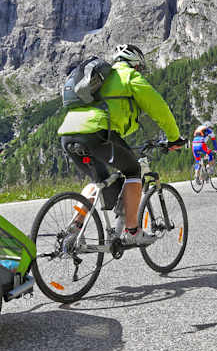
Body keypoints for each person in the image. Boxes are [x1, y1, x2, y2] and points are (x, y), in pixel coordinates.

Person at [59, 44, 185, 245]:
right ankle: (133, 232)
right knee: (133, 170)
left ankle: (73, 229)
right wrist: (174, 137)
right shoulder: (129, 77)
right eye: (140, 67)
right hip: (97, 133)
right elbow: (159, 108)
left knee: (99, 179)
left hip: (68, 134)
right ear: (135, 64)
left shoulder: (100, 78)